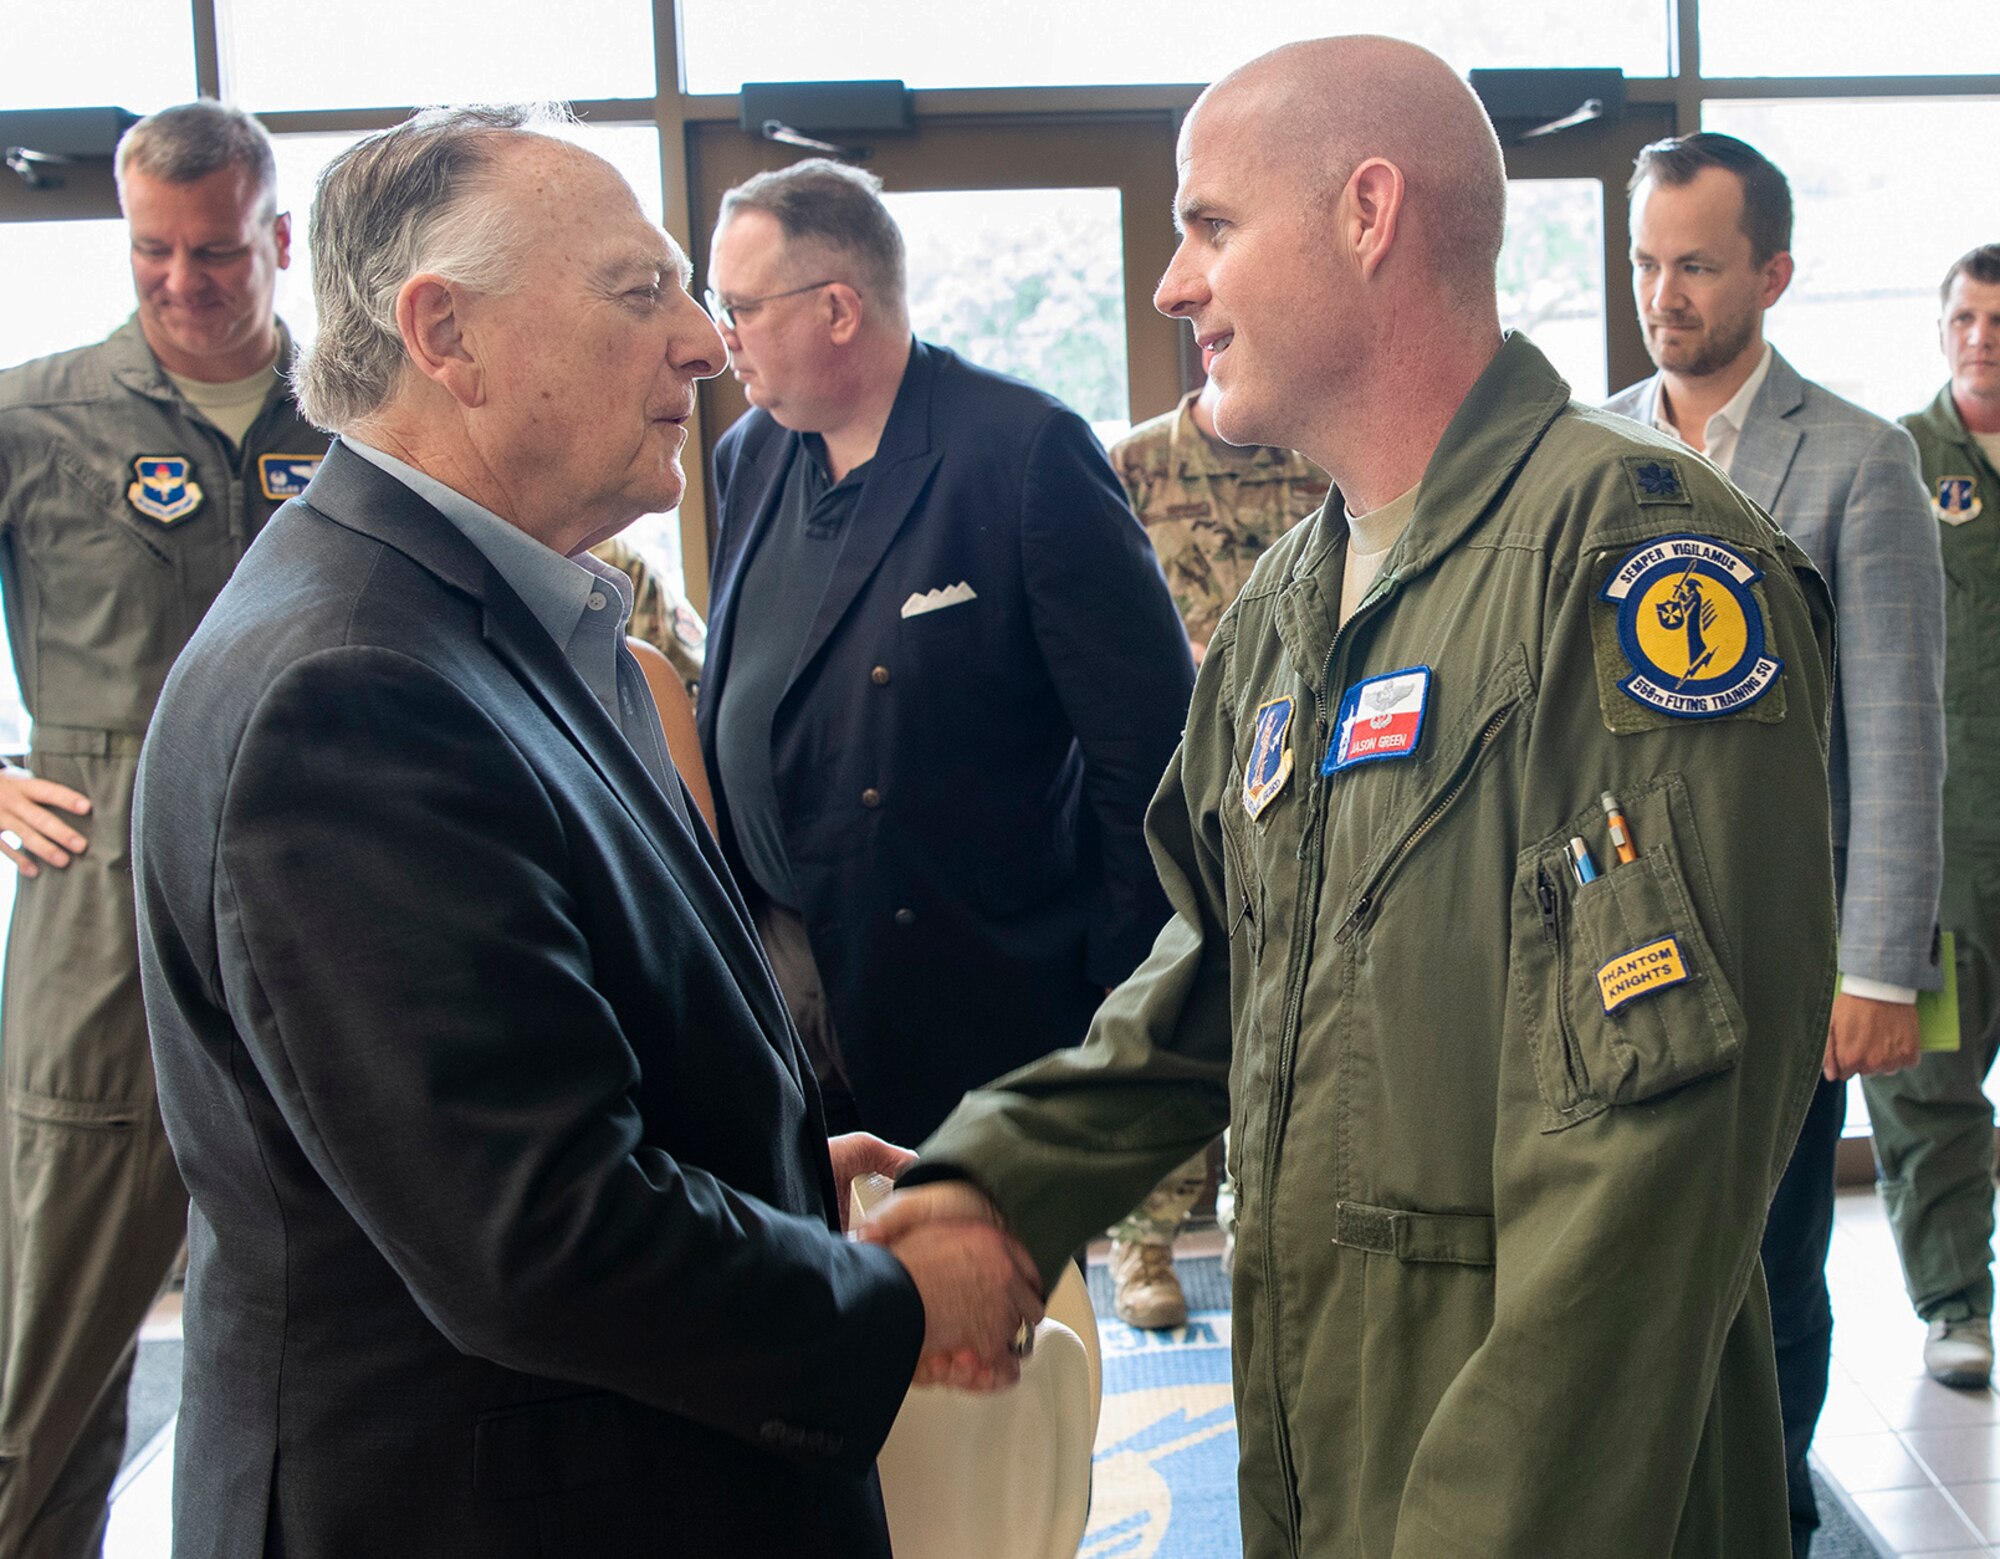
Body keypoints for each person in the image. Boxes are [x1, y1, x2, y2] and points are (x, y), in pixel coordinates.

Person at [865, 35, 1842, 1557]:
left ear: (1369, 213)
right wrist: (992, 1180)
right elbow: (1216, 971)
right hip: (1330, 1442)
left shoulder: (1631, 553)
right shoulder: (1286, 605)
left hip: (1545, 1491)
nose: (1172, 288)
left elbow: (1653, 1166)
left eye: (1208, 227)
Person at [132, 106, 1039, 1558]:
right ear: (446, 333)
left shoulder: (496, 619)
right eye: (641, 292)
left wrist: (787, 1169)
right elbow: (537, 1231)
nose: (701, 339)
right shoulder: (351, 690)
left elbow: (562, 1044)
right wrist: (899, 1304)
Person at [698, 159, 1194, 1147]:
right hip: (782, 969)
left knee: (974, 1293)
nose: (718, 339)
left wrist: (1110, 995)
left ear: (837, 308)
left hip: (970, 994)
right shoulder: (746, 454)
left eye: (740, 307)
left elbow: (1148, 747)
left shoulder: (1021, 452)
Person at [1605, 132, 1946, 1555]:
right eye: (1645, 261)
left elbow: (1902, 729)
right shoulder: (1590, 446)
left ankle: (1774, 1515)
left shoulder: (1862, 462)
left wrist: (1879, 965)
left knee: (1774, 1268)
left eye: (1695, 263)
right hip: (1621, 949)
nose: (1662, 293)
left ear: (1773, 272)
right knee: (1629, 1266)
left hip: (1786, 950)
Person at [0, 99, 329, 1559]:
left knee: (346, 1337)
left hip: (329, 895)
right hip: (103, 913)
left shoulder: (358, 412)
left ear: (274, 235)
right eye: (151, 251)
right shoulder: (36, 417)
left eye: (213, 250)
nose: (182, 280)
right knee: (51, 1343)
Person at [1102, 377, 1327, 1326]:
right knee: (1170, 1009)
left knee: (1279, 1012)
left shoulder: (1322, 459)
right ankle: (1141, 1243)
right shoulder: (1131, 466)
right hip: (1174, 789)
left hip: (1305, 786)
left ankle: (1256, 1226)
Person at [1859, 242, 2000, 1393]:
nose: (1981, 337)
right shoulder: (1896, 463)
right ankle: (1954, 1299)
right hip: (1946, 859)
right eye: (1963, 315)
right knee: (1930, 1082)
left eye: (1998, 319)